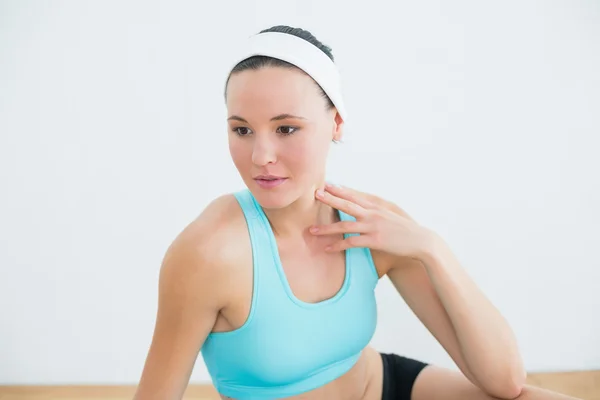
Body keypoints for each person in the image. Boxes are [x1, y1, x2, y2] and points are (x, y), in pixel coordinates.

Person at [134, 26, 578, 400]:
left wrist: (431, 249)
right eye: (242, 130)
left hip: (385, 386)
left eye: (286, 128)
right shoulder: (209, 252)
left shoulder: (374, 225)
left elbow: (504, 381)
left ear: (337, 124)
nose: (260, 156)